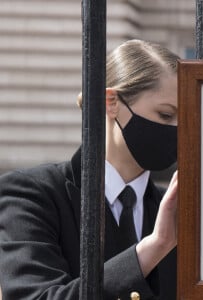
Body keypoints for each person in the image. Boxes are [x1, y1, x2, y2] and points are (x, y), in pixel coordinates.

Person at [0, 39, 179, 299]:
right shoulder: (30, 195)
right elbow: (36, 295)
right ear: (111, 102)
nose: (177, 129)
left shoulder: (178, 211)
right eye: (165, 115)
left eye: (185, 117)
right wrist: (152, 249)